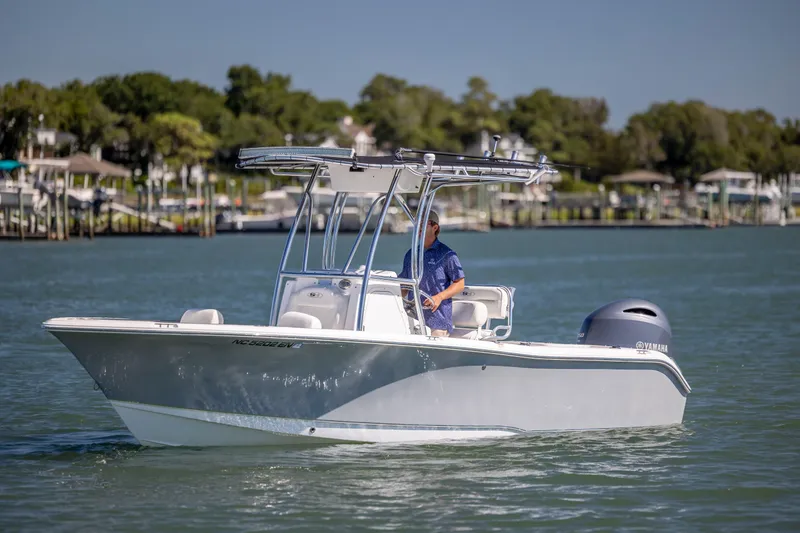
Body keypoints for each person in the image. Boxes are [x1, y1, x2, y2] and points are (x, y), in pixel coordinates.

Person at [399, 211, 465, 337]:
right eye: (416, 223)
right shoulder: (410, 254)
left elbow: (460, 283)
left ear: (435, 227)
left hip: (438, 323)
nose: (418, 227)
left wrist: (439, 297)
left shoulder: (447, 254)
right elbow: (404, 286)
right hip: (413, 321)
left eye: (423, 224)